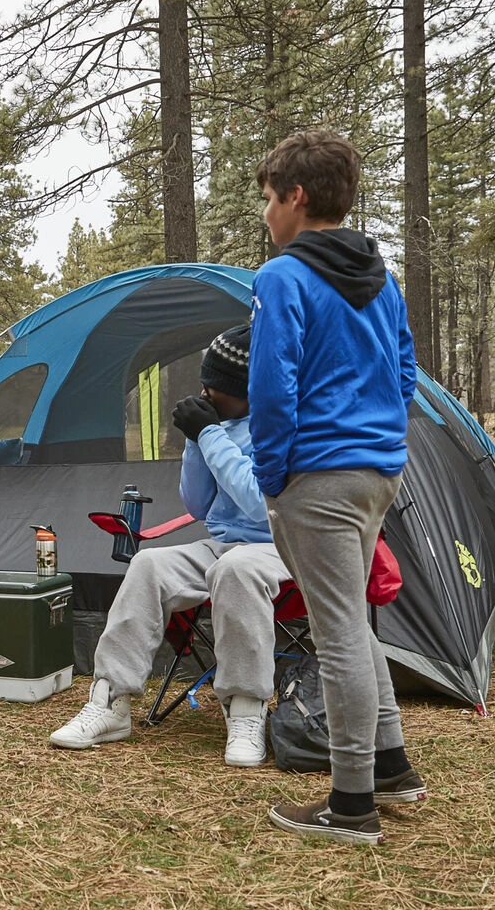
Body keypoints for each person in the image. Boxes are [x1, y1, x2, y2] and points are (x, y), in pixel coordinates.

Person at [247, 128, 426, 846]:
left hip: (317, 475)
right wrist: (381, 439)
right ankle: (391, 765)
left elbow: (271, 389)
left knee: (337, 632)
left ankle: (351, 804)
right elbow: (407, 374)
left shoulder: (282, 279)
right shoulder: (381, 277)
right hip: (379, 470)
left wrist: (272, 476)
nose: (265, 213)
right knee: (354, 619)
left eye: (267, 198)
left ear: (296, 196)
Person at [48, 323, 294, 766]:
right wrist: (196, 441)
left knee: (235, 569)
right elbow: (199, 505)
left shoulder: (285, 425)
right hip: (224, 546)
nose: (206, 391)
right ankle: (111, 701)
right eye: (206, 381)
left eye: (216, 386)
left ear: (252, 390)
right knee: (150, 566)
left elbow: (262, 505)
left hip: (285, 548)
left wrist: (210, 436)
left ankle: (246, 708)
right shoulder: (221, 423)